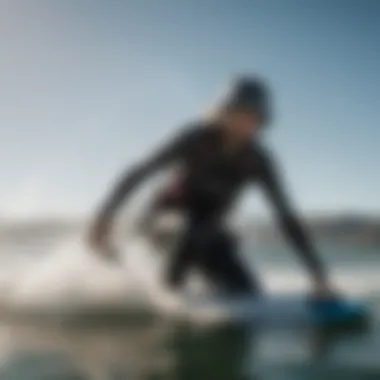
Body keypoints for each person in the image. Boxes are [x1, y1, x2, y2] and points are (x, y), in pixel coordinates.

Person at [88, 75, 335, 298]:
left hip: (207, 233)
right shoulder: (195, 139)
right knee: (192, 233)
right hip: (162, 221)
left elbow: (286, 216)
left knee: (247, 294)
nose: (243, 123)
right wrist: (103, 219)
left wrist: (316, 271)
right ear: (221, 112)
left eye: (252, 116)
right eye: (237, 112)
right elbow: (139, 172)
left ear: (261, 121)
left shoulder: (259, 161)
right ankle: (164, 294)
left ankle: (185, 291)